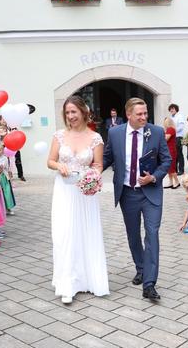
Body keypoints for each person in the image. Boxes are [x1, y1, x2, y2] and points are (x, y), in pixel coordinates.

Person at [102, 97, 172, 301]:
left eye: (145, 113)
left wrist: (154, 177)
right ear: (128, 115)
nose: (144, 117)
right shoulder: (115, 133)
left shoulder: (156, 132)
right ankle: (141, 268)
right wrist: (93, 171)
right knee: (133, 235)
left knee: (152, 234)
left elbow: (166, 160)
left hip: (151, 192)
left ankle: (149, 284)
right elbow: (107, 157)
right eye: (139, 114)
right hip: (127, 193)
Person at [47, 95, 109, 304]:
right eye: (67, 113)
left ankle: (88, 280)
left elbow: (98, 165)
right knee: (65, 233)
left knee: (85, 231)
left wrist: (93, 176)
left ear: (83, 112)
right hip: (64, 190)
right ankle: (67, 284)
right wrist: (59, 166)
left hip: (84, 192)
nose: (70, 116)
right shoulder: (59, 136)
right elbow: (50, 161)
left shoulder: (95, 138)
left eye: (74, 111)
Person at [0, 143, 16, 215]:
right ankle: (0, 209)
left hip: (4, 177)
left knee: (7, 193)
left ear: (3, 150)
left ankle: (9, 208)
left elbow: (2, 167)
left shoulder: (5, 158)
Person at [162, 117, 180, 189]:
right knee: (169, 168)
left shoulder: (170, 129)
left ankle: (177, 182)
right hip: (169, 150)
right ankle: (171, 182)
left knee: (171, 167)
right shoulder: (169, 130)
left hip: (171, 150)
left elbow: (166, 139)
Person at [169, 103, 186, 175]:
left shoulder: (180, 116)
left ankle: (181, 170)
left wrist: (173, 131)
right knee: (173, 154)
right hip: (172, 137)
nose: (171, 110)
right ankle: (175, 170)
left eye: (173, 108)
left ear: (176, 109)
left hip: (178, 137)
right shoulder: (171, 117)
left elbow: (180, 127)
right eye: (170, 109)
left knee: (179, 154)